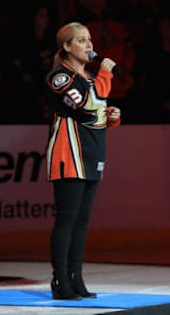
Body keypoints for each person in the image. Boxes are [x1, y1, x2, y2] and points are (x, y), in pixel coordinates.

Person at [45, 22, 121, 300]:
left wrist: (111, 117)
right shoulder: (60, 78)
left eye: (89, 39)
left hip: (91, 152)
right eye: (81, 40)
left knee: (82, 220)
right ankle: (59, 280)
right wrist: (105, 74)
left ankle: (76, 278)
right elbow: (88, 105)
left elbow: (94, 115)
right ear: (66, 47)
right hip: (69, 152)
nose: (89, 45)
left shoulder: (89, 78)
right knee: (67, 219)